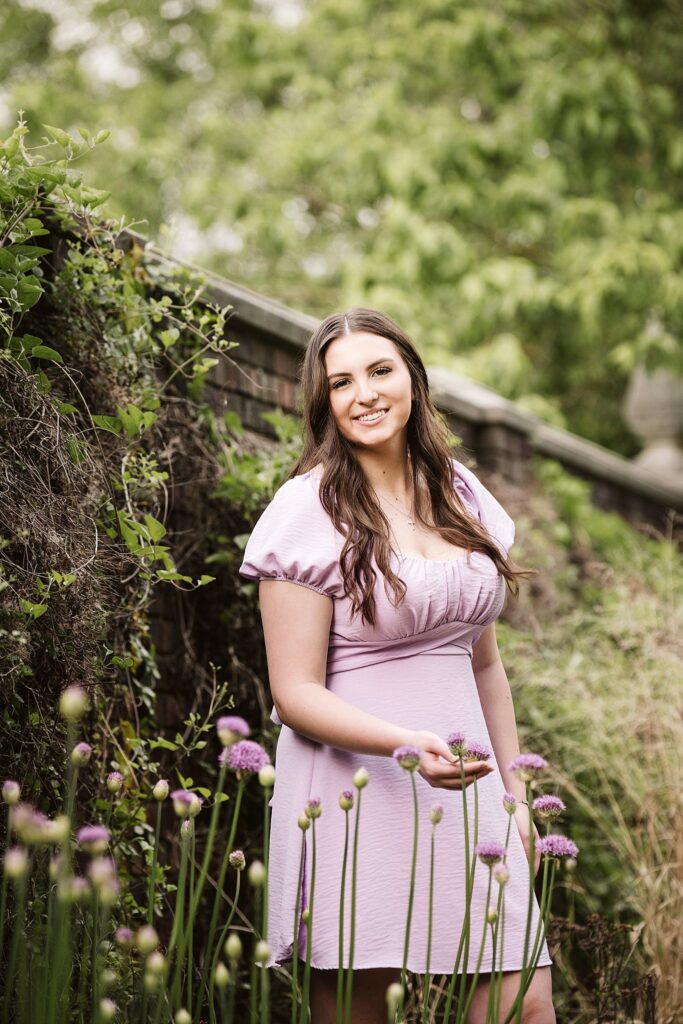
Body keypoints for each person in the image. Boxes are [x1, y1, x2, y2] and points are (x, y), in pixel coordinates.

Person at [238, 308, 556, 1023]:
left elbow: (484, 668)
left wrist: (515, 792)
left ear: (411, 376)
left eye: (380, 370)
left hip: (471, 796)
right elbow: (294, 693)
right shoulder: (305, 510)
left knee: (525, 1006)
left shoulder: (462, 493)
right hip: (354, 791)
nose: (366, 393)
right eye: (341, 381)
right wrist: (404, 745)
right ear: (324, 403)